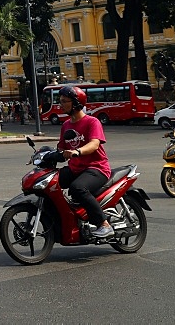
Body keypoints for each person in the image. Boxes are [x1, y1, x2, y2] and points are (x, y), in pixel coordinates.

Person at [56, 86, 114, 239]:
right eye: (59, 101)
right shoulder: (66, 125)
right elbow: (61, 148)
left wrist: (77, 151)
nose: (60, 105)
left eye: (63, 101)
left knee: (78, 188)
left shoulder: (92, 122)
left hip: (97, 168)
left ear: (75, 103)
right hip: (76, 168)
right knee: (52, 181)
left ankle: (103, 224)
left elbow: (94, 144)